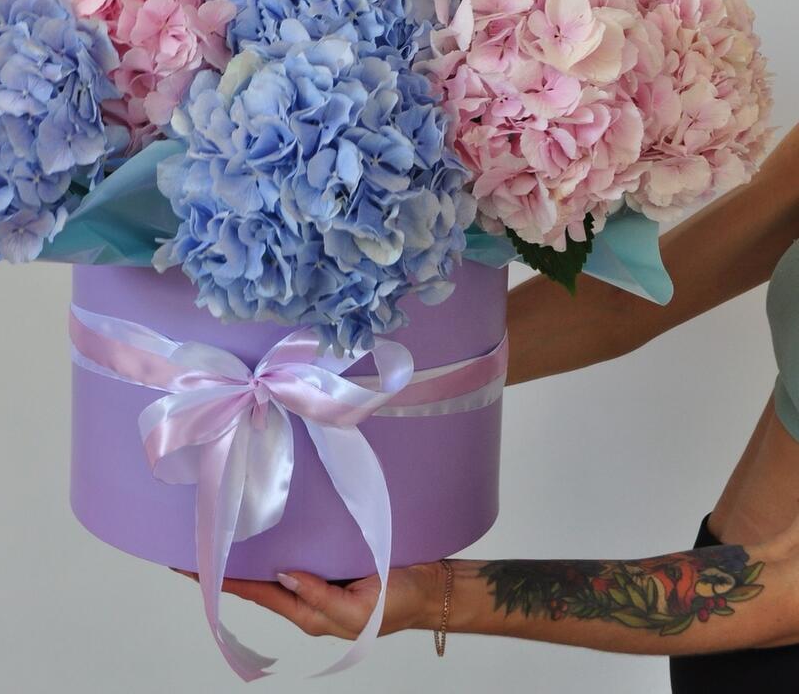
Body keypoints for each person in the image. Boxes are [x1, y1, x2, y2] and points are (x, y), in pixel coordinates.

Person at [205, 125, 799, 690]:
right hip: (720, 604)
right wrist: (343, 386)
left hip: (757, 620)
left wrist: (439, 594)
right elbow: (635, 303)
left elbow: (785, 586)